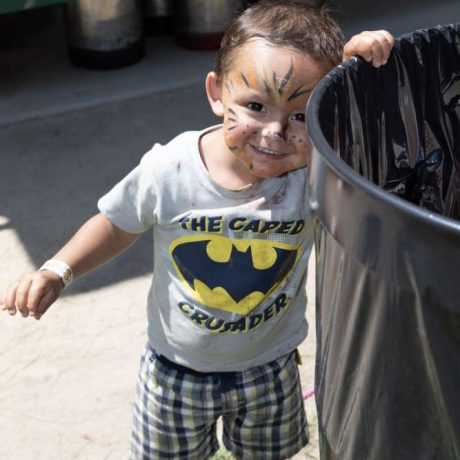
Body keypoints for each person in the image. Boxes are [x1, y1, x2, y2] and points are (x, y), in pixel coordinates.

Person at [1, 1, 394, 458]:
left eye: (302, 116)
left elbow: (374, 148)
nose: (274, 131)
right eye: (254, 106)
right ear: (216, 93)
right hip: (176, 372)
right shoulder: (170, 170)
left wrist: (356, 71)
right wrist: (57, 270)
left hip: (269, 367)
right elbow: (115, 223)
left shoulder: (313, 174)